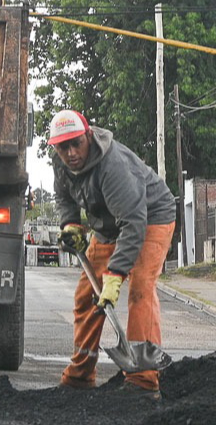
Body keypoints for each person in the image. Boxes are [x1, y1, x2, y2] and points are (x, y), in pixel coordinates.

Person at [49, 109, 177, 395]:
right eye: (62, 147)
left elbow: (134, 223)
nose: (70, 152)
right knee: (87, 296)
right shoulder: (62, 166)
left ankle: (143, 378)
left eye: (76, 143)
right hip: (108, 228)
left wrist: (116, 275)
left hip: (151, 217)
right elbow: (63, 198)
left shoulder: (112, 166)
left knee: (140, 289)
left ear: (89, 137)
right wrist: (70, 224)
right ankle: (80, 375)